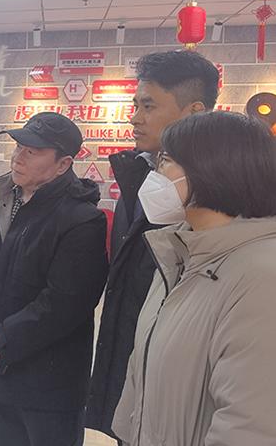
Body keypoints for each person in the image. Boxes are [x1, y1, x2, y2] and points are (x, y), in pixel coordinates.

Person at [112, 111, 276, 445]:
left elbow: (249, 426)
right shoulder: (179, 254)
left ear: (213, 169)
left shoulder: (261, 278)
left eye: (166, 161)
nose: (155, 174)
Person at [86, 50, 220, 441]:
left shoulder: (221, 197)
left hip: (182, 394)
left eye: (148, 106)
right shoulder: (139, 175)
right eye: (135, 105)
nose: (135, 117)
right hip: (131, 369)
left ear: (194, 112)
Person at [0, 112, 109, 446]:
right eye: (18, 147)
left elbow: (63, 304)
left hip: (47, 386)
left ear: (63, 164)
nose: (18, 157)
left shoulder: (82, 220)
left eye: (32, 151)